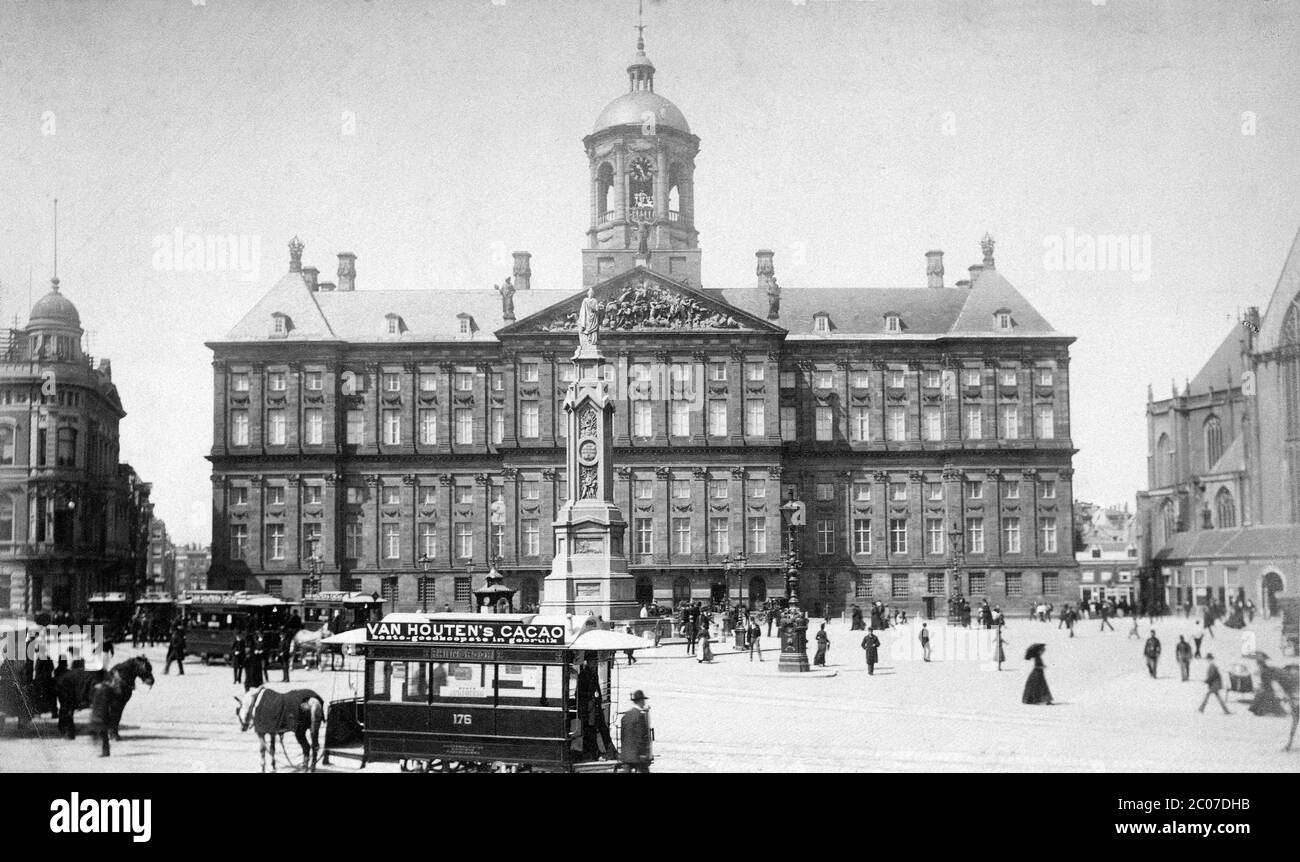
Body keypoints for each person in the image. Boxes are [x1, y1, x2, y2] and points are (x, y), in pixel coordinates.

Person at [618, 690, 652, 773]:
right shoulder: (639, 716)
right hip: (637, 755)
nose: (644, 702)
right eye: (643, 700)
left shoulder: (626, 716)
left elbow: (622, 736)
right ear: (640, 701)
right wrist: (644, 753)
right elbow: (641, 736)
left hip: (626, 754)